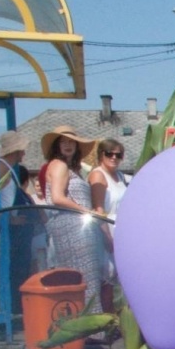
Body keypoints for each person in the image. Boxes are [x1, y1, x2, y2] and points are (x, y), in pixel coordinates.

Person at [40, 126, 106, 306]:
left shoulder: (70, 168)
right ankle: (88, 327)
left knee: (86, 278)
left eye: (71, 142)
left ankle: (90, 325)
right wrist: (86, 211)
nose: (68, 145)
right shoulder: (59, 165)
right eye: (63, 142)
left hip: (78, 227)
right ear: (56, 145)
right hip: (72, 227)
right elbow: (57, 198)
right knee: (83, 279)